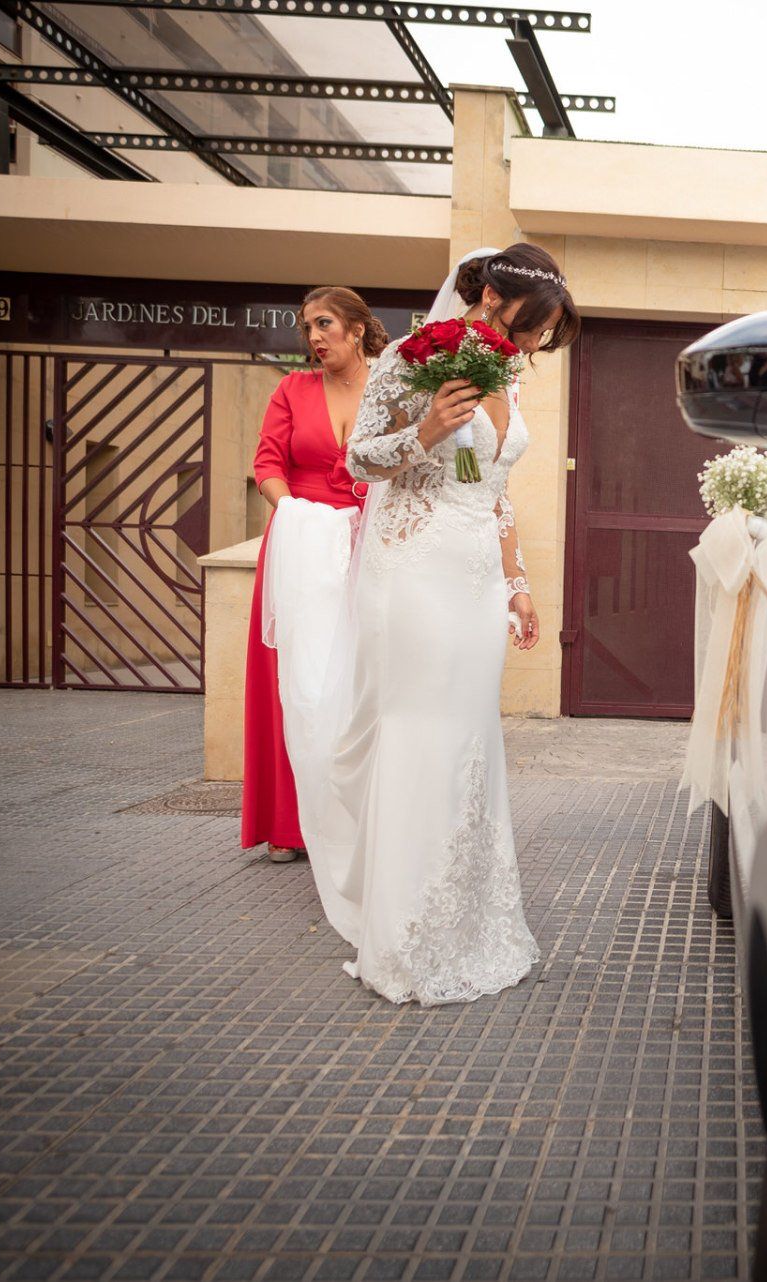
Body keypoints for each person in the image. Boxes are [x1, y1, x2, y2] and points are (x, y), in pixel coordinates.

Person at [305, 243, 580, 1005]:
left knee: (468, 735)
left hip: (474, 578)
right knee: (422, 729)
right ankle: (406, 935)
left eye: (542, 338)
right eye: (531, 331)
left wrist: (517, 581)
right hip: (414, 570)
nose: (532, 348)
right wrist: (425, 428)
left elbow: (485, 485)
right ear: (492, 300)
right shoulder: (407, 357)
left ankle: (469, 921)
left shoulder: (504, 378)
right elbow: (360, 461)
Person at [241, 287, 383, 862]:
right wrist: (294, 512)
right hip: (300, 547)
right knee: (294, 682)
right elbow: (267, 462)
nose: (314, 337)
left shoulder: (390, 389)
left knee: (358, 677)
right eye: (307, 328)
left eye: (324, 324)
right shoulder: (292, 389)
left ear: (356, 327)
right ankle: (289, 825)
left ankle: (357, 819)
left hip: (369, 543)